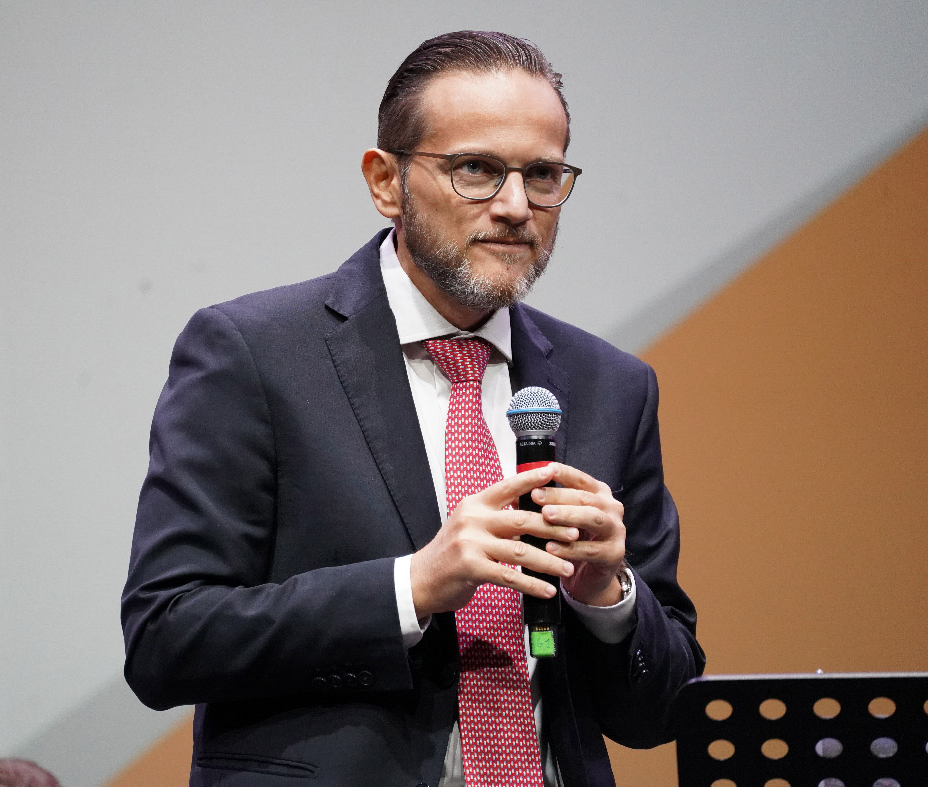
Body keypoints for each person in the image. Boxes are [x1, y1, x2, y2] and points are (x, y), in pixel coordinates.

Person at [122, 30, 703, 787]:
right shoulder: (252, 354)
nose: (516, 207)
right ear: (385, 181)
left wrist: (607, 598)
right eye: (476, 170)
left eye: (542, 174)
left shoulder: (611, 385)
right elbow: (166, 638)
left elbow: (662, 710)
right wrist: (412, 587)